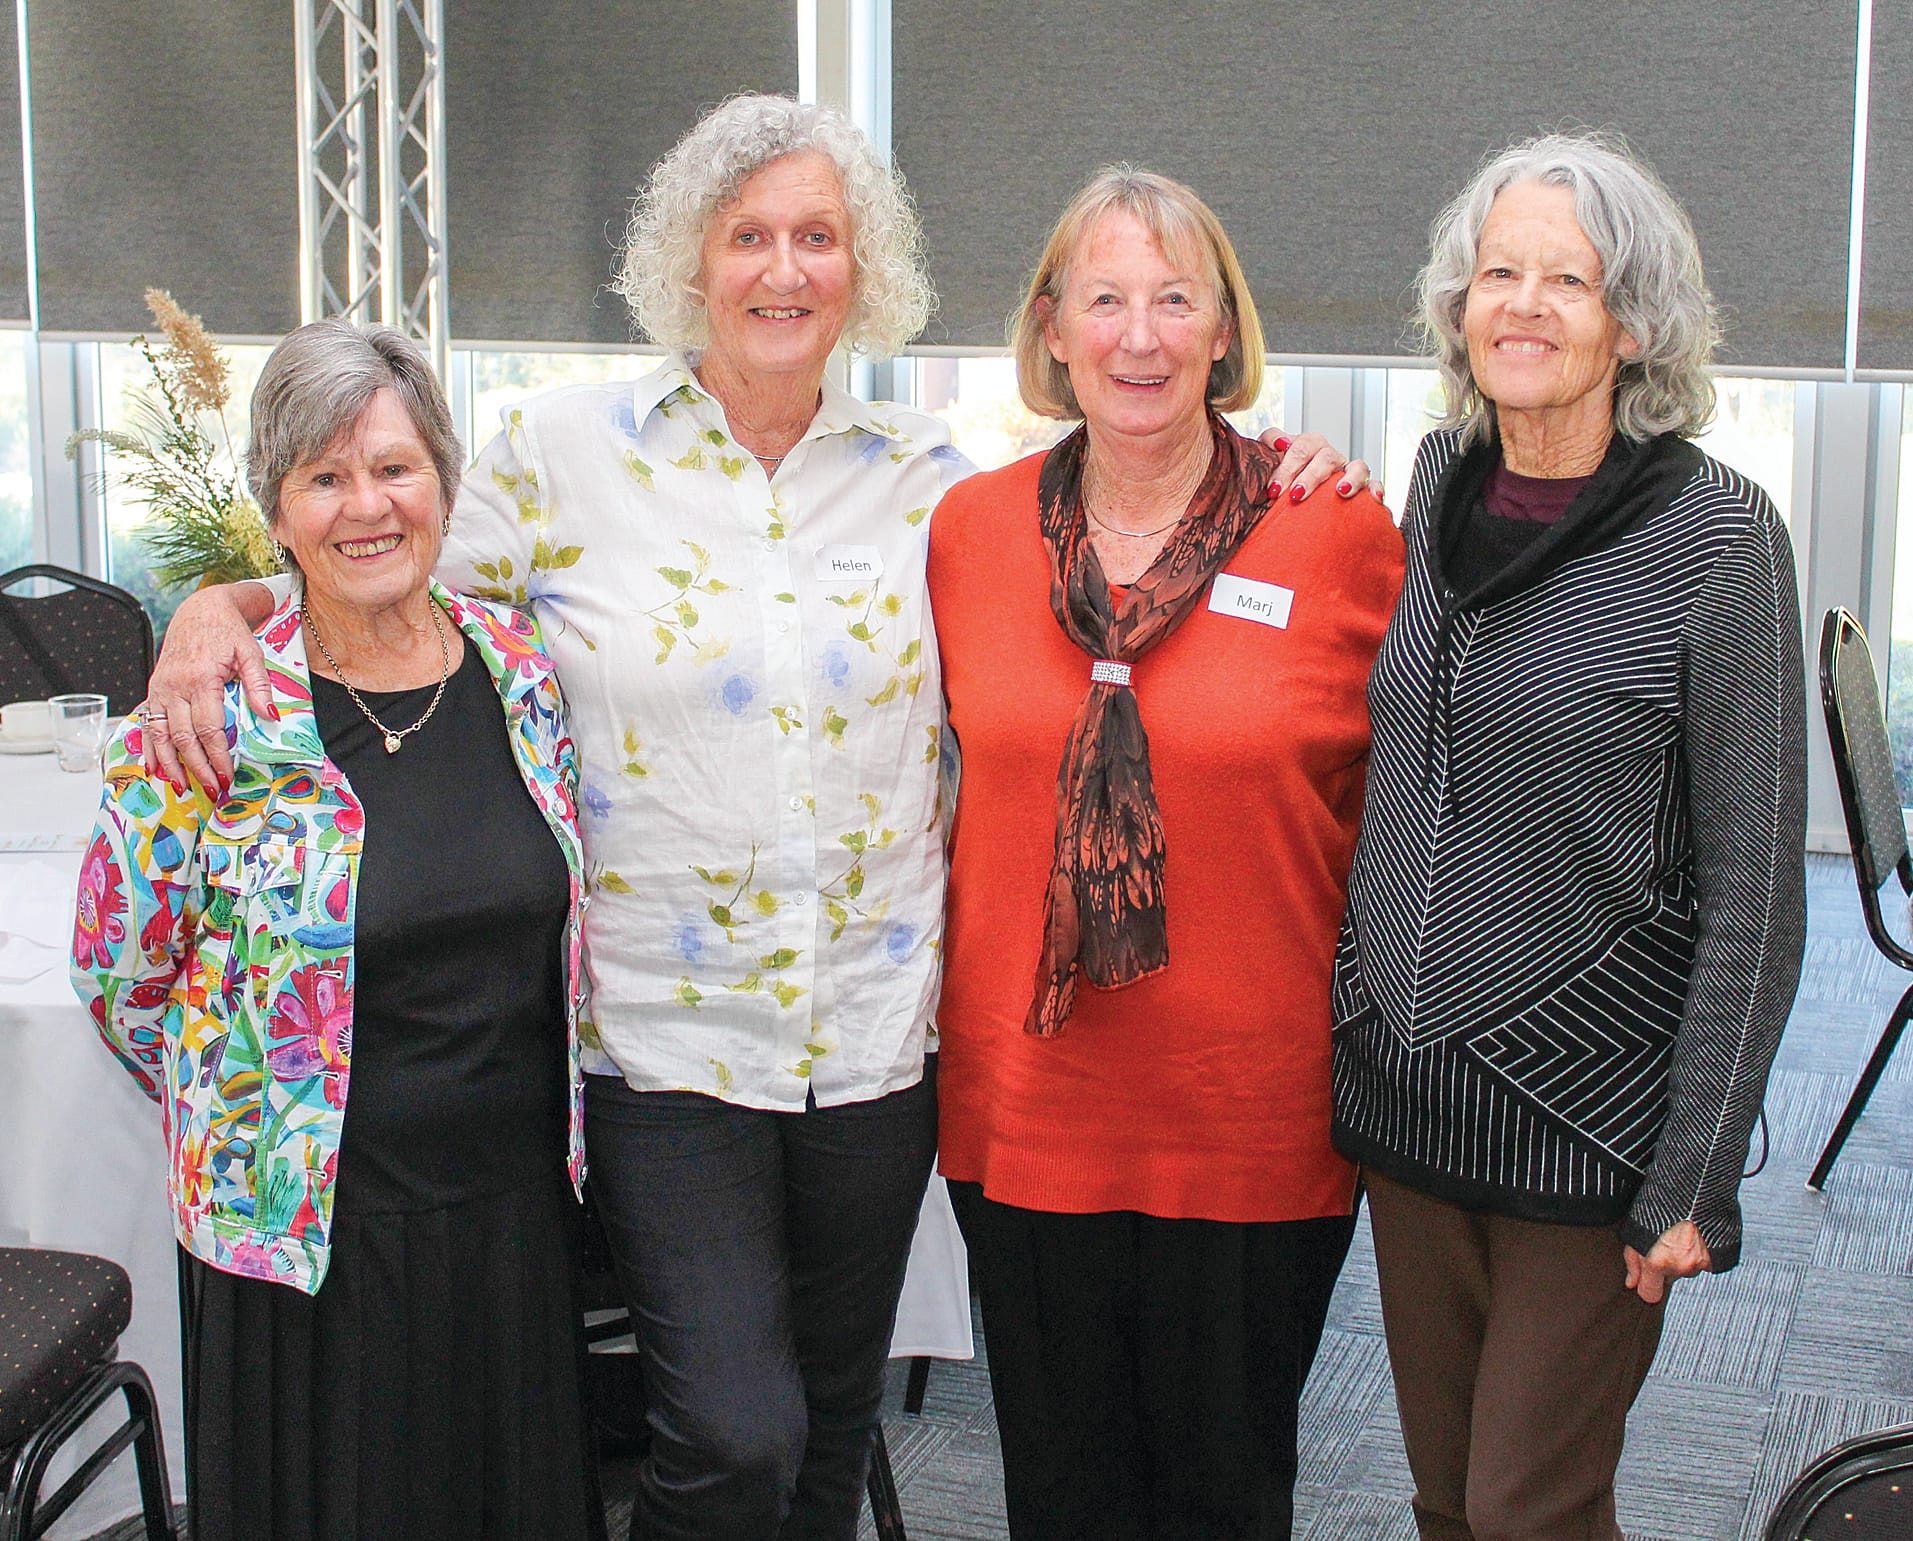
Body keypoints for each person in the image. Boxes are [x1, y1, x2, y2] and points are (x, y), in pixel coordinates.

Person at [138, 98, 1367, 1541]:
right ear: (691, 261)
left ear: (862, 268)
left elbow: (1142, 539)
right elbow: (370, 558)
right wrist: (218, 610)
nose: (784, 269)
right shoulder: (564, 455)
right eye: (747, 237)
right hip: (665, 1043)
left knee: (828, 1441)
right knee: (731, 1434)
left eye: (818, 237)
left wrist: (1282, 470)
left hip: (876, 1041)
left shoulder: (936, 490)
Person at [1331, 131, 1808, 1541]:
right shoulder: (1435, 480)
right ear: (1457, 305)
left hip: (1592, 1123)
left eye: (1568, 280)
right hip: (1408, 1099)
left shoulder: (1716, 539)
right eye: (1498, 274)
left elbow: (1757, 886)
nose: (1523, 306)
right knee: (1444, 1502)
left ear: (1632, 325)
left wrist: (1697, 1171)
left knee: (1525, 1507)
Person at [927, 165, 1404, 1540]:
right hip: (1030, 1108)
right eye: (1105, 300)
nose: (1138, 337)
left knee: (1223, 1497)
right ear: (1051, 327)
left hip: (1248, 1116)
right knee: (1059, 1496)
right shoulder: (966, 533)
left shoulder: (1334, 529)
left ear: (1222, 330)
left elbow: (1408, 812)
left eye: (1174, 300)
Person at [72, 320, 600, 1540]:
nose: (367, 506)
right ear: (278, 506)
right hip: (304, 1241)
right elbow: (120, 975)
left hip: (509, 1217)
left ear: (444, 484)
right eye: (325, 476)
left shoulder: (520, 670)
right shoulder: (210, 713)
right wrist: (257, 1101)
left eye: (395, 467)